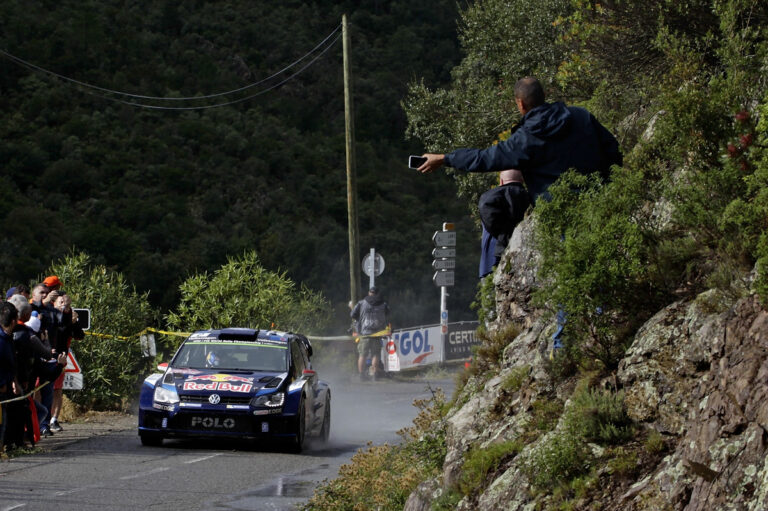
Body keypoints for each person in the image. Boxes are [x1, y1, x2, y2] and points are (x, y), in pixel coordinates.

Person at [417, 77, 622, 201]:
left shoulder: (524, 141)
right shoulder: (580, 115)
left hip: (564, 214)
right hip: (603, 197)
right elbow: (613, 149)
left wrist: (445, 158)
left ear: (521, 104)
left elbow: (484, 159)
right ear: (545, 95)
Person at [478, 169, 530, 277]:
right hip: (525, 257)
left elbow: (489, 216)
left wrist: (502, 234)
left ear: (501, 181)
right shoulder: (530, 197)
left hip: (491, 260)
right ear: (523, 180)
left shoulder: (489, 198)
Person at [350, 287, 390, 381]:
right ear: (377, 293)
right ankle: (375, 374)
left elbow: (352, 314)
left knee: (362, 354)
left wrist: (359, 319)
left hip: (364, 333)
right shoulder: (383, 304)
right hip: (377, 333)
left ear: (369, 293)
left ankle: (361, 375)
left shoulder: (361, 303)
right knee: (375, 354)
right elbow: (388, 312)